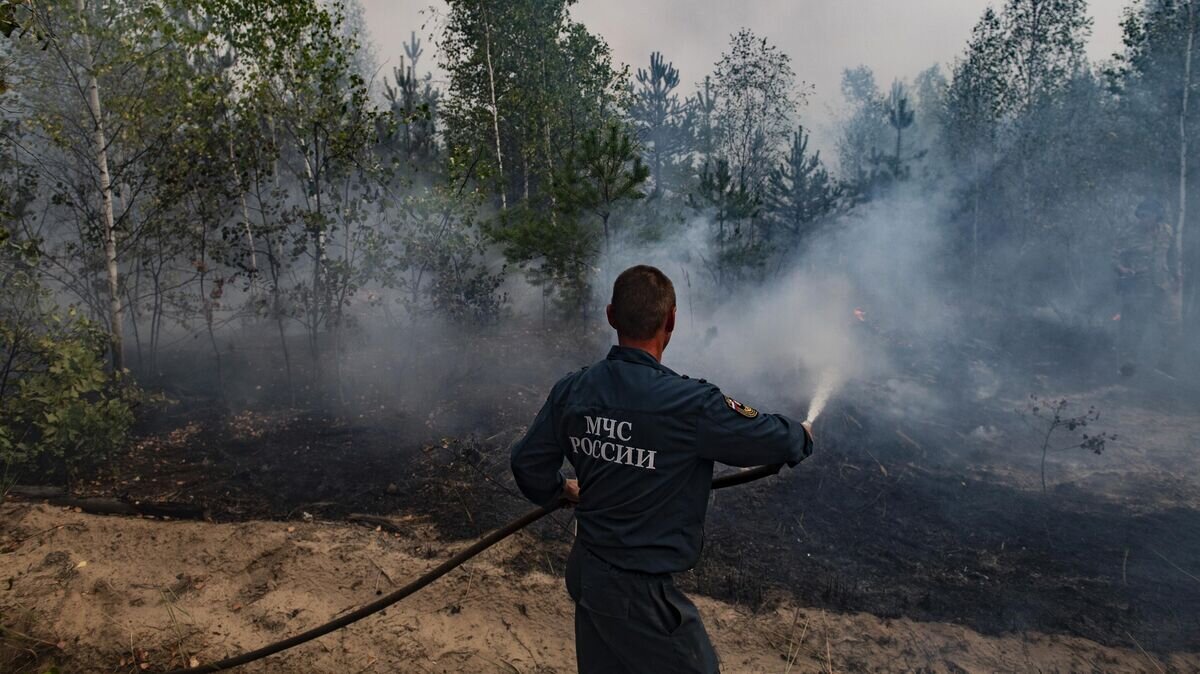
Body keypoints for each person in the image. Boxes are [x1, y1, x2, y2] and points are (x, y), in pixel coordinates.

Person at [510, 265, 813, 674]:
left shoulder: (573, 390)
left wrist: (560, 488)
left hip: (588, 574)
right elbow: (773, 439)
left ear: (610, 316)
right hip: (637, 596)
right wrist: (801, 434)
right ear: (671, 320)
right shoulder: (690, 405)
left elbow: (527, 463)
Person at [1114, 199, 1180, 377]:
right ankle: (1127, 365)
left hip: (1162, 285)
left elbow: (1172, 254)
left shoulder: (1166, 231)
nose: (1143, 219)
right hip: (1138, 286)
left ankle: (1164, 366)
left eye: (1147, 215)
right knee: (1134, 326)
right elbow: (1115, 257)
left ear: (1157, 216)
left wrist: (1176, 276)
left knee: (1170, 325)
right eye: (1140, 216)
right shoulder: (1129, 233)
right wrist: (1123, 269)